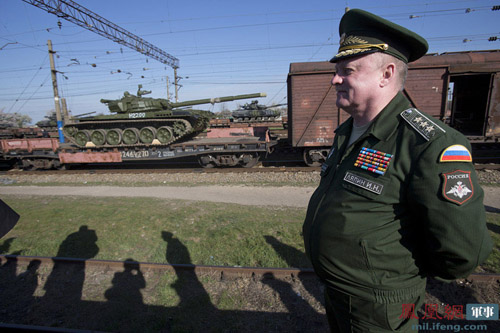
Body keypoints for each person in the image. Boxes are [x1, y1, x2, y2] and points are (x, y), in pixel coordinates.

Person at [302, 8, 492, 332]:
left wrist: (398, 277)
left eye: (347, 70)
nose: (334, 79)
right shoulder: (348, 132)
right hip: (338, 295)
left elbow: (463, 251)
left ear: (386, 74)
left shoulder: (429, 144)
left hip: (379, 308)